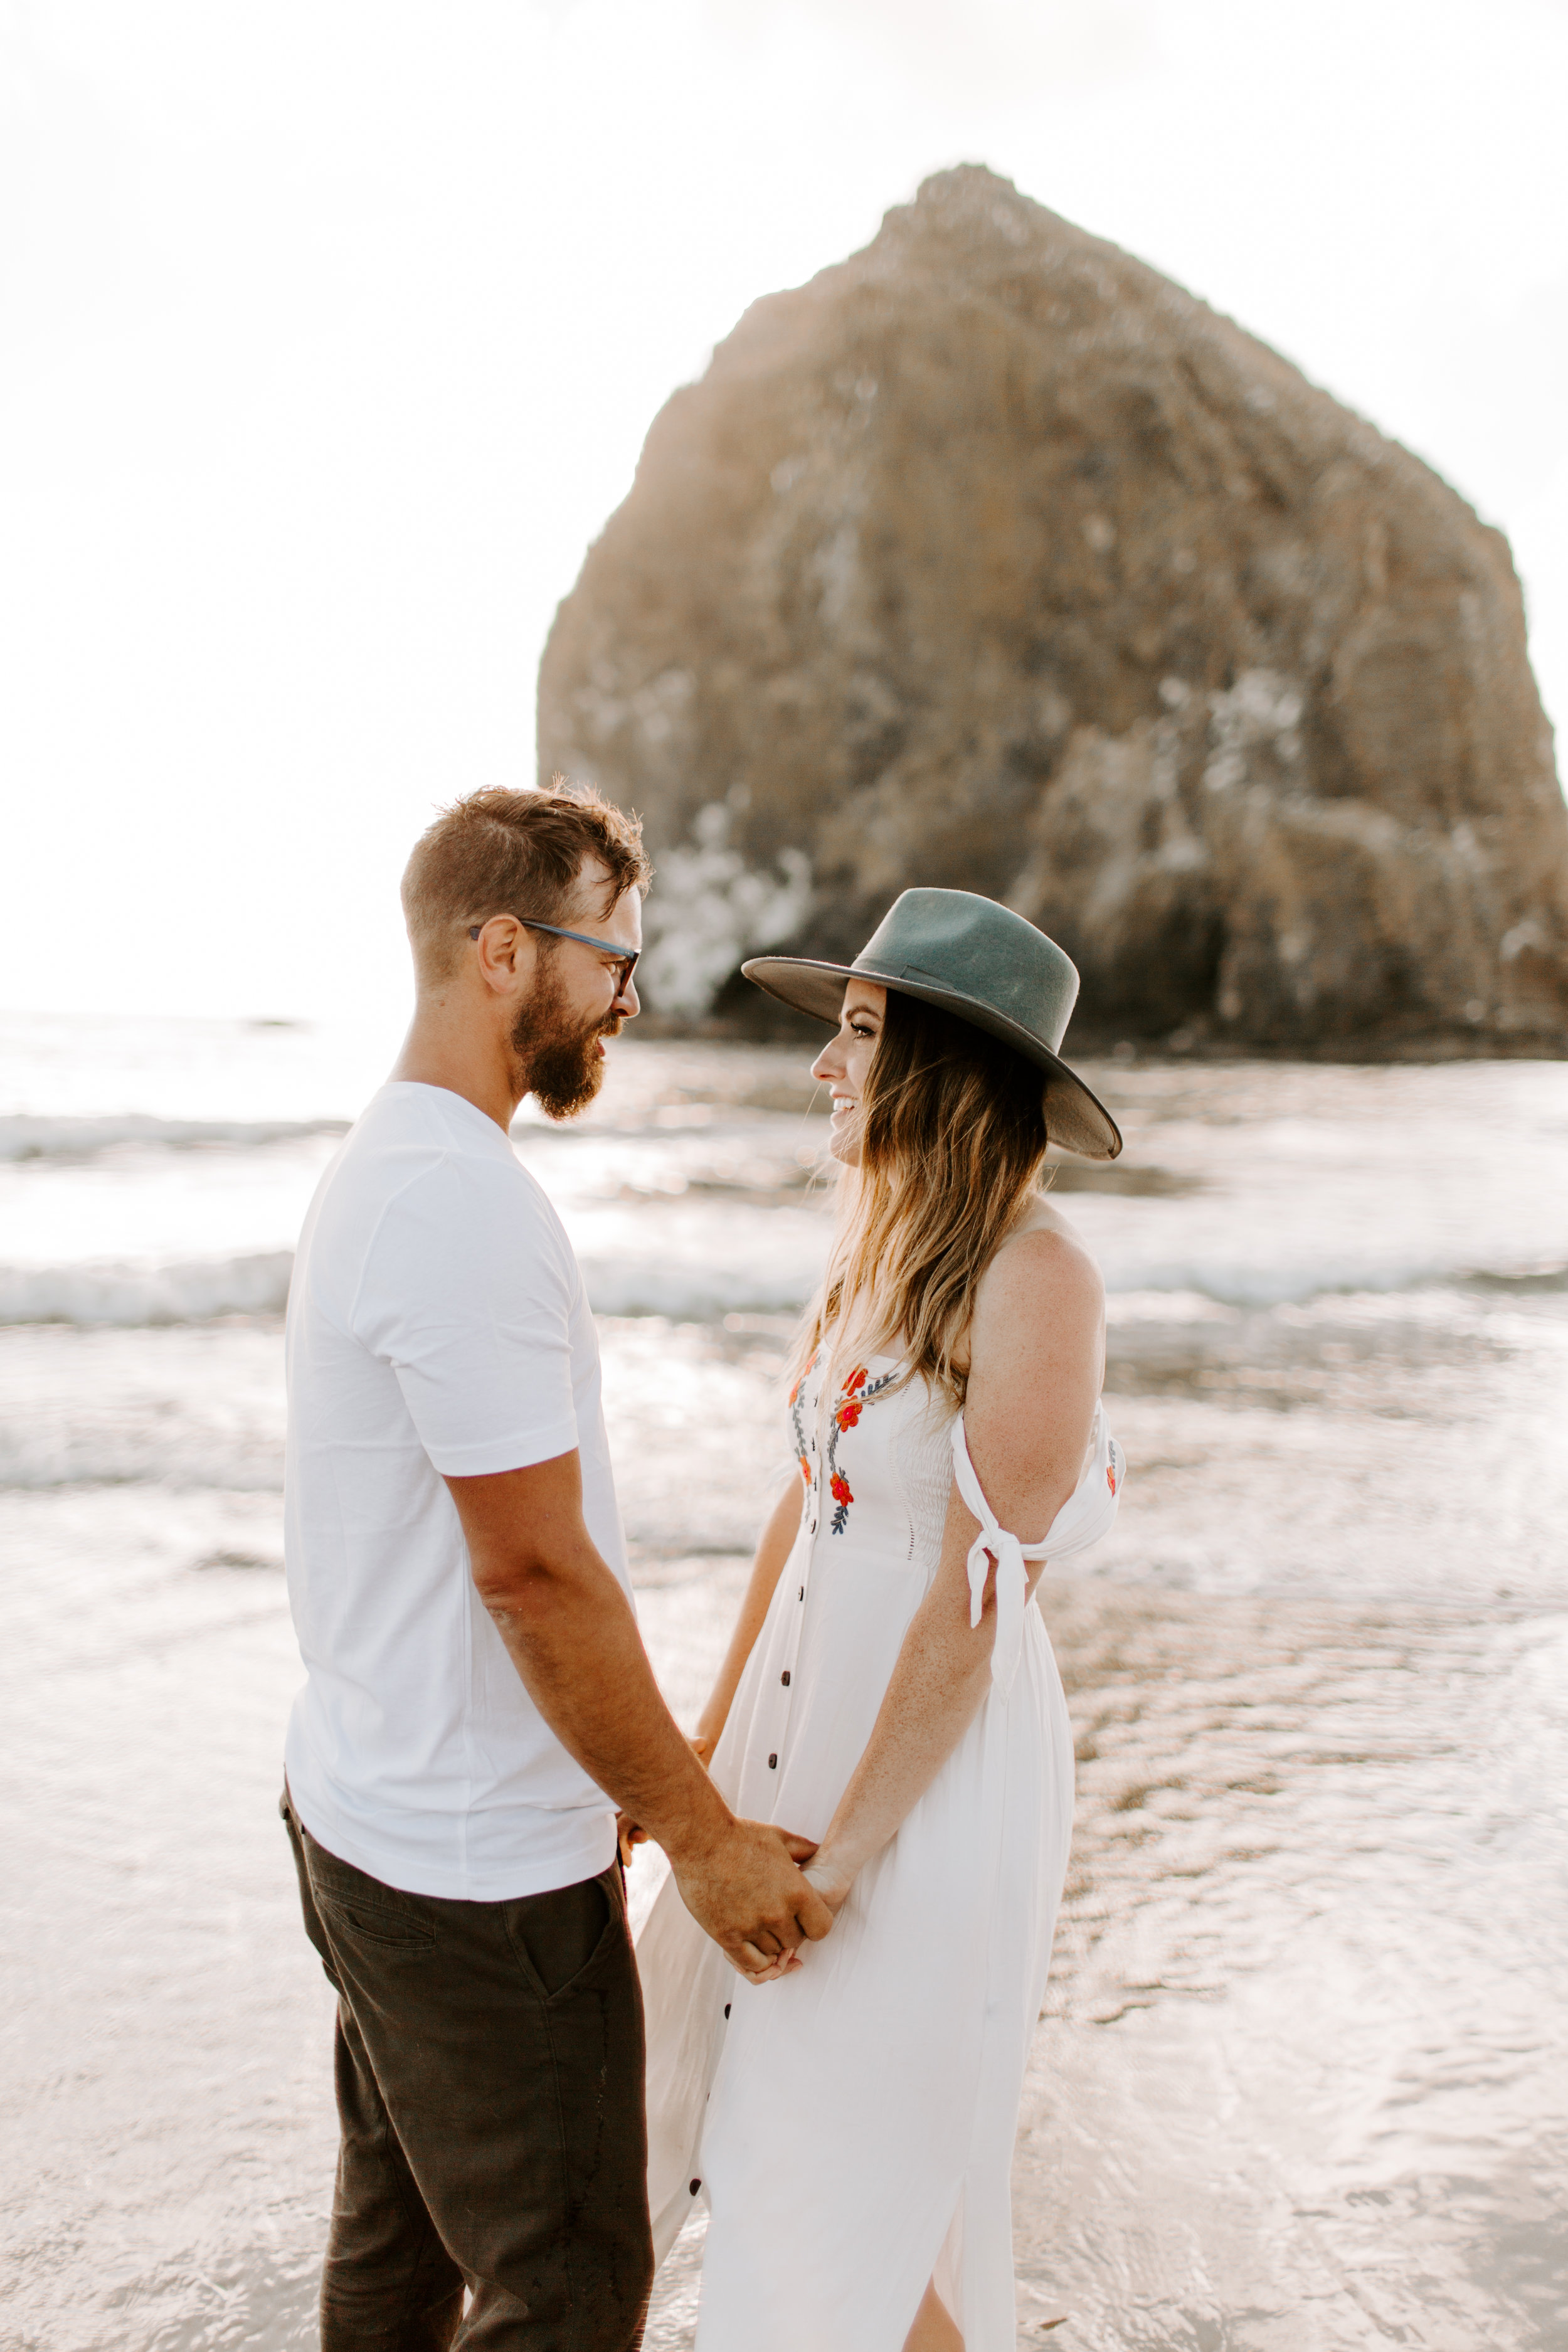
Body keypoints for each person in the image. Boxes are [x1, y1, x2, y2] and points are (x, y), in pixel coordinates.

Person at [279, 782, 832, 2352]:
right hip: (475, 1882)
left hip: (366, 1809)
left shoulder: (385, 1162)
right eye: (610, 959)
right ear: (505, 951)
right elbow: (534, 1573)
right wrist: (701, 1833)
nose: (629, 997)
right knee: (573, 2294)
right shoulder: (457, 1201)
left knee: (395, 2254)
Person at [633, 887, 1126, 2351]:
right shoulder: (876, 1247)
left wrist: (843, 1860)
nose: (821, 1066)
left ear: (938, 1067)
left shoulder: (1038, 1279)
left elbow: (976, 1604)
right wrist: (707, 1754)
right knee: (758, 2144)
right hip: (791, 1745)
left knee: (844, 2170)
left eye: (854, 1033)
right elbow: (803, 1512)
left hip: (923, 1787)